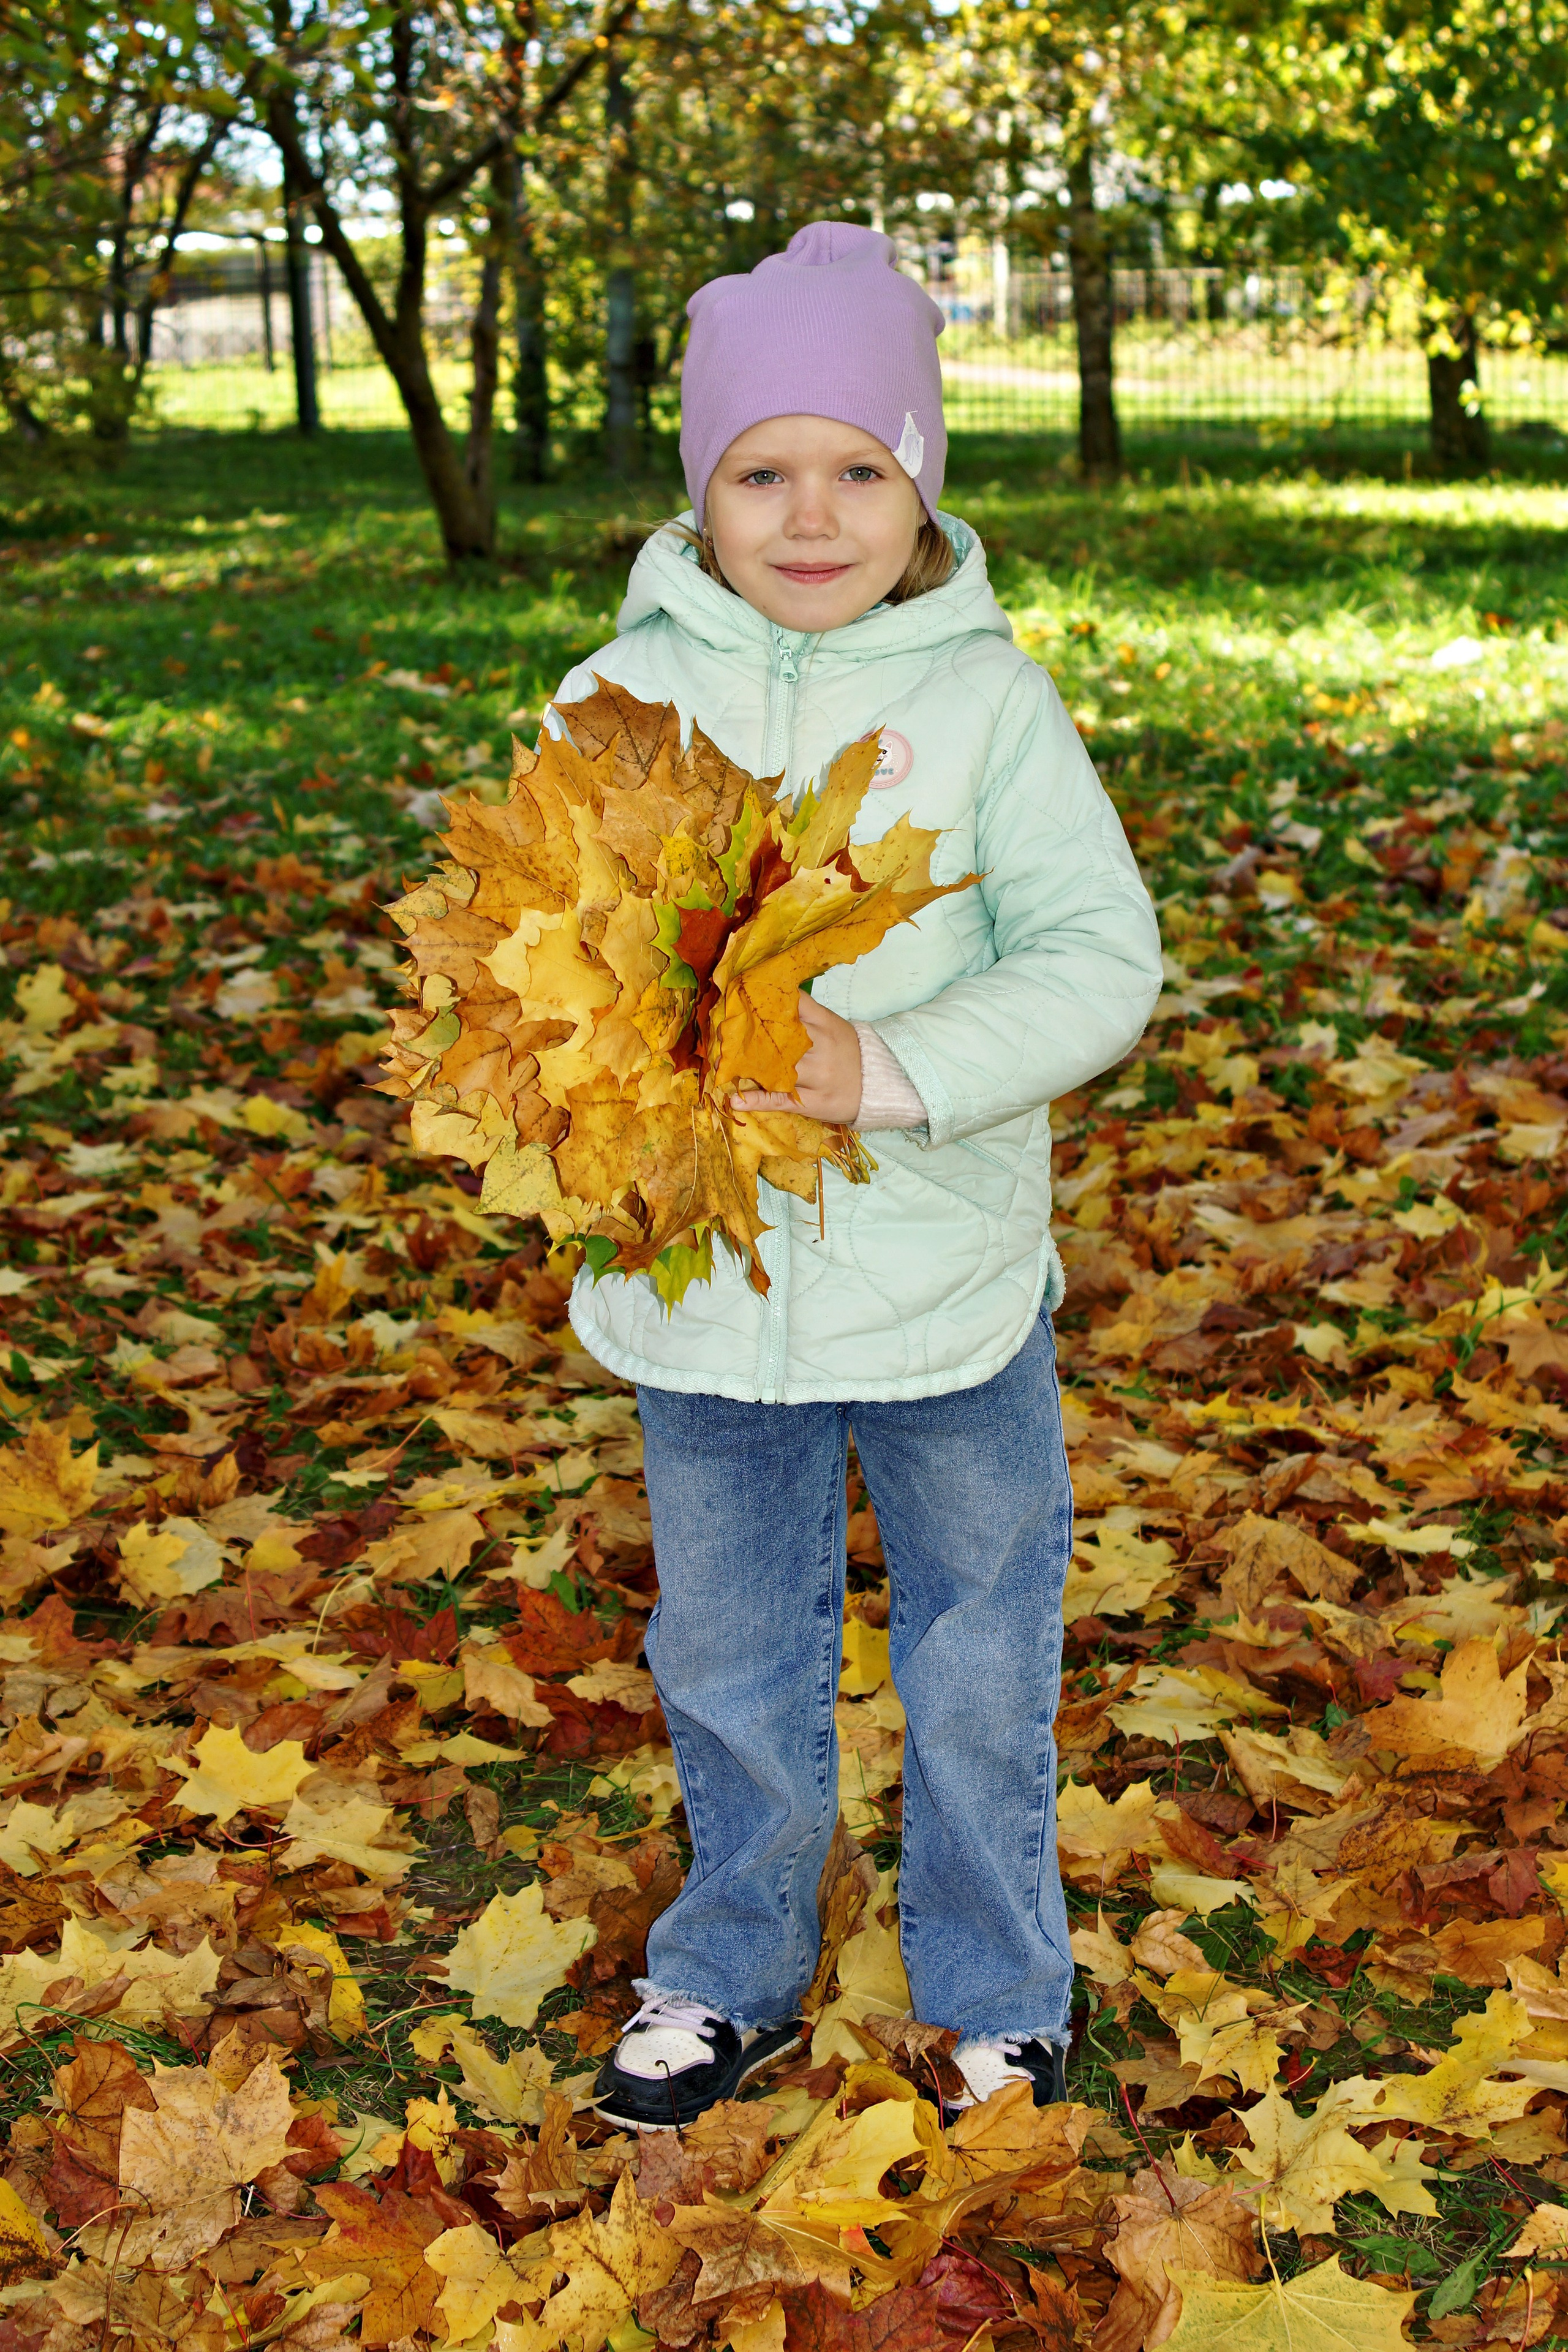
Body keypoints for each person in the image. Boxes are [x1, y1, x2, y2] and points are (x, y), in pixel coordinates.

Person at [541, 221, 1163, 2130]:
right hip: (700, 1300)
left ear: (922, 483)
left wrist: (889, 1070)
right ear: (701, 489)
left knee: (981, 1654)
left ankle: (999, 1986)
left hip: (947, 1291)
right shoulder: (609, 699)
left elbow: (1097, 960)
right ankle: (727, 1968)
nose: (811, 517)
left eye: (860, 468)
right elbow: (539, 962)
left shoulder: (988, 705)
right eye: (761, 471)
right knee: (728, 1652)